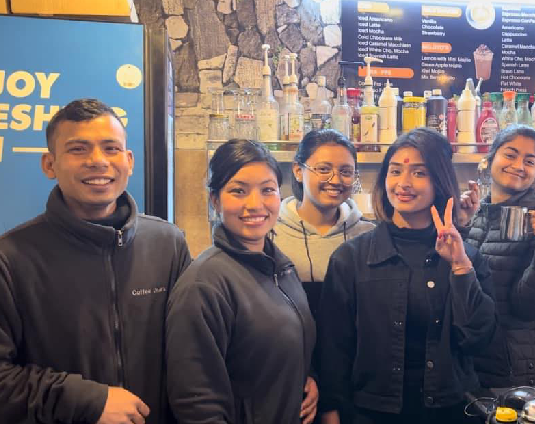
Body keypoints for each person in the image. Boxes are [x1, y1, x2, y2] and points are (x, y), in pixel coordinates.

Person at [0, 98, 192, 424]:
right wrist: (86, 401)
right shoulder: (5, 261)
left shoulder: (168, 244)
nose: (98, 161)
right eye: (78, 149)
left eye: (111, 148)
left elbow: (193, 351)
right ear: (49, 164)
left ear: (129, 161)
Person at [317, 128, 496, 424]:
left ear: (439, 181)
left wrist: (460, 267)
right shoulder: (351, 258)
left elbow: (478, 340)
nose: (403, 183)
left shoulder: (467, 257)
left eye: (419, 173)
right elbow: (333, 348)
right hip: (370, 414)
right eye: (395, 171)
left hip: (451, 412)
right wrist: (330, 410)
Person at [166, 139, 318, 424]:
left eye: (267, 190)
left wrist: (306, 376)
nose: (255, 204)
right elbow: (196, 402)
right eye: (238, 191)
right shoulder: (205, 284)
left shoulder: (281, 267)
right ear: (215, 200)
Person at [456, 125, 535, 388]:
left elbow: (527, 308)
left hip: (509, 369)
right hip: (469, 363)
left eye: (530, 161)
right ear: (490, 158)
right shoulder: (481, 212)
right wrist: (463, 224)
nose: (518, 166)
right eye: (510, 155)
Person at [273, 129, 375, 315]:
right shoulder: (270, 235)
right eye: (323, 169)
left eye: (346, 172)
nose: (335, 180)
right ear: (298, 171)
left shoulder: (369, 236)